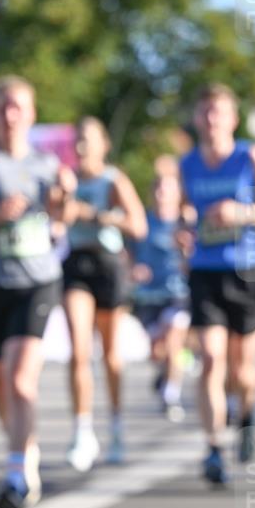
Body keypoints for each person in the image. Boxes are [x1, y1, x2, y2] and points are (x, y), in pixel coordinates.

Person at [0, 76, 75, 508]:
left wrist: (63, 201)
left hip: (37, 281)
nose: (10, 115)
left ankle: (15, 476)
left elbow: (62, 222)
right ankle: (23, 452)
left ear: (30, 114)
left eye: (18, 107)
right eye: (2, 107)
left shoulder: (48, 164)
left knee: (19, 380)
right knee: (0, 387)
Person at [178, 83, 255, 485]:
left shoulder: (250, 156)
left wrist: (239, 213)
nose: (210, 120)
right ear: (195, 118)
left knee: (242, 369)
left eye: (218, 112)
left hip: (248, 272)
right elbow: (185, 213)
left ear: (232, 119)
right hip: (205, 269)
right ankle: (212, 449)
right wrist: (184, 230)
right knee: (210, 358)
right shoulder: (187, 163)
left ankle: (248, 413)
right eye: (204, 112)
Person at [62, 117, 147, 471]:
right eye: (78, 138)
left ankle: (115, 425)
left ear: (103, 144)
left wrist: (97, 216)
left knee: (110, 354)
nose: (82, 145)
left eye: (89, 139)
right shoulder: (66, 177)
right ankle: (83, 430)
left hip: (109, 264)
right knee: (79, 349)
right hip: (76, 264)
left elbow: (138, 225)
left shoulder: (113, 180)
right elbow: (56, 216)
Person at [132, 156, 190, 421]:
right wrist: (134, 267)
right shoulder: (143, 221)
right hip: (148, 295)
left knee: (173, 340)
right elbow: (128, 252)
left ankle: (171, 395)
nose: (162, 193)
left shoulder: (186, 223)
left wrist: (187, 250)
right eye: (157, 188)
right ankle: (163, 374)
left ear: (178, 193)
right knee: (158, 351)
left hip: (178, 293)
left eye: (167, 189)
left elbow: (196, 258)